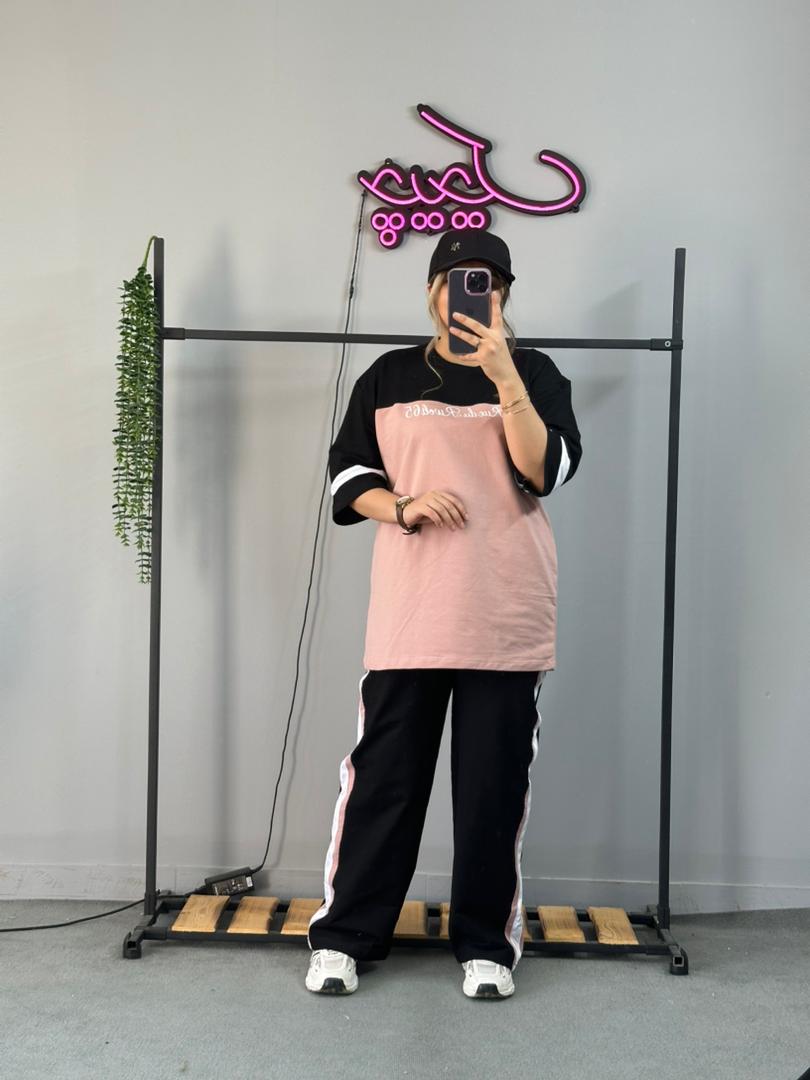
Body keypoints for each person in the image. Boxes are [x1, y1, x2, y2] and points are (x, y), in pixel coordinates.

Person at [305, 229, 583, 999]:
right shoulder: (391, 375)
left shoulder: (534, 372)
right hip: (413, 608)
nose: (470, 293)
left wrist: (505, 376)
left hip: (505, 606)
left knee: (493, 788)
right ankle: (345, 938)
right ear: (432, 290)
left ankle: (486, 945)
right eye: (457, 279)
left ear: (504, 295)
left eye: (488, 281)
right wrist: (401, 505)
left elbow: (545, 470)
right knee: (384, 782)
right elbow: (346, 473)